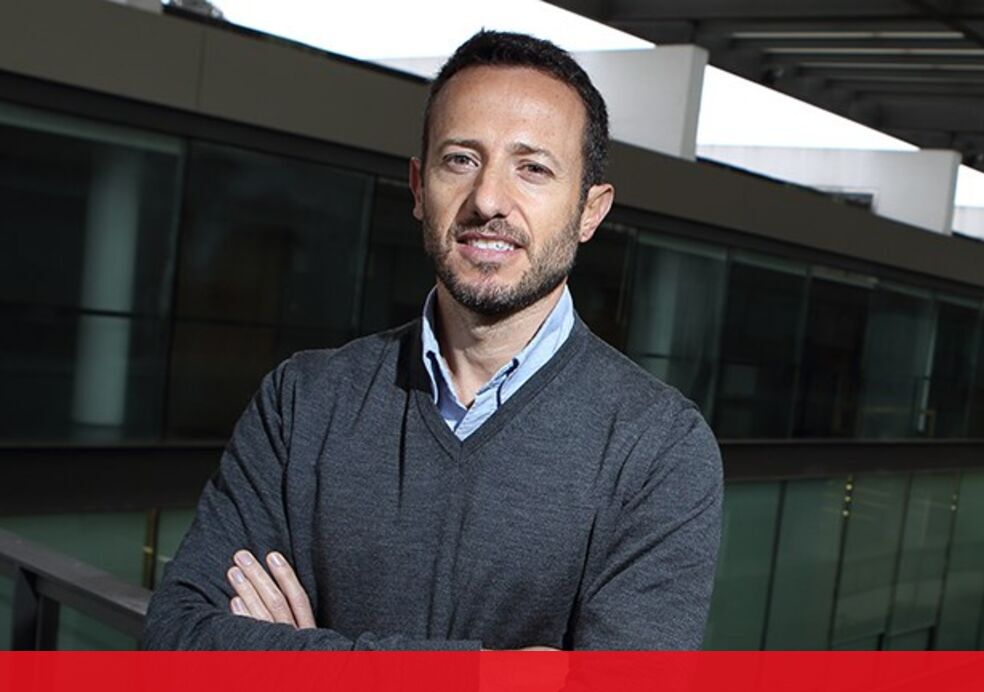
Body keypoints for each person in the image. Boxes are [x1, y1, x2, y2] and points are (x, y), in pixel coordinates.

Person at [142, 30, 723, 650]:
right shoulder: (303, 401)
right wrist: (484, 679)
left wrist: (304, 665)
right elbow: (176, 639)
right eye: (461, 160)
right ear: (419, 187)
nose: (488, 200)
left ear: (590, 211)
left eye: (532, 168)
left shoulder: (659, 448)